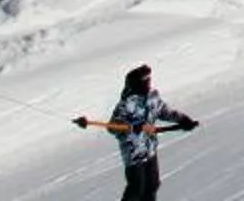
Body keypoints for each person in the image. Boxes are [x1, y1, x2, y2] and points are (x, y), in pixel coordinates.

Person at [75, 63, 197, 200]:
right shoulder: (126, 104)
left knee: (152, 185)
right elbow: (112, 127)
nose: (148, 83)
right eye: (145, 81)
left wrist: (183, 120)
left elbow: (164, 111)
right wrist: (132, 127)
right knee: (136, 188)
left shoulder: (153, 97)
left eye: (149, 80)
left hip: (150, 149)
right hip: (133, 152)